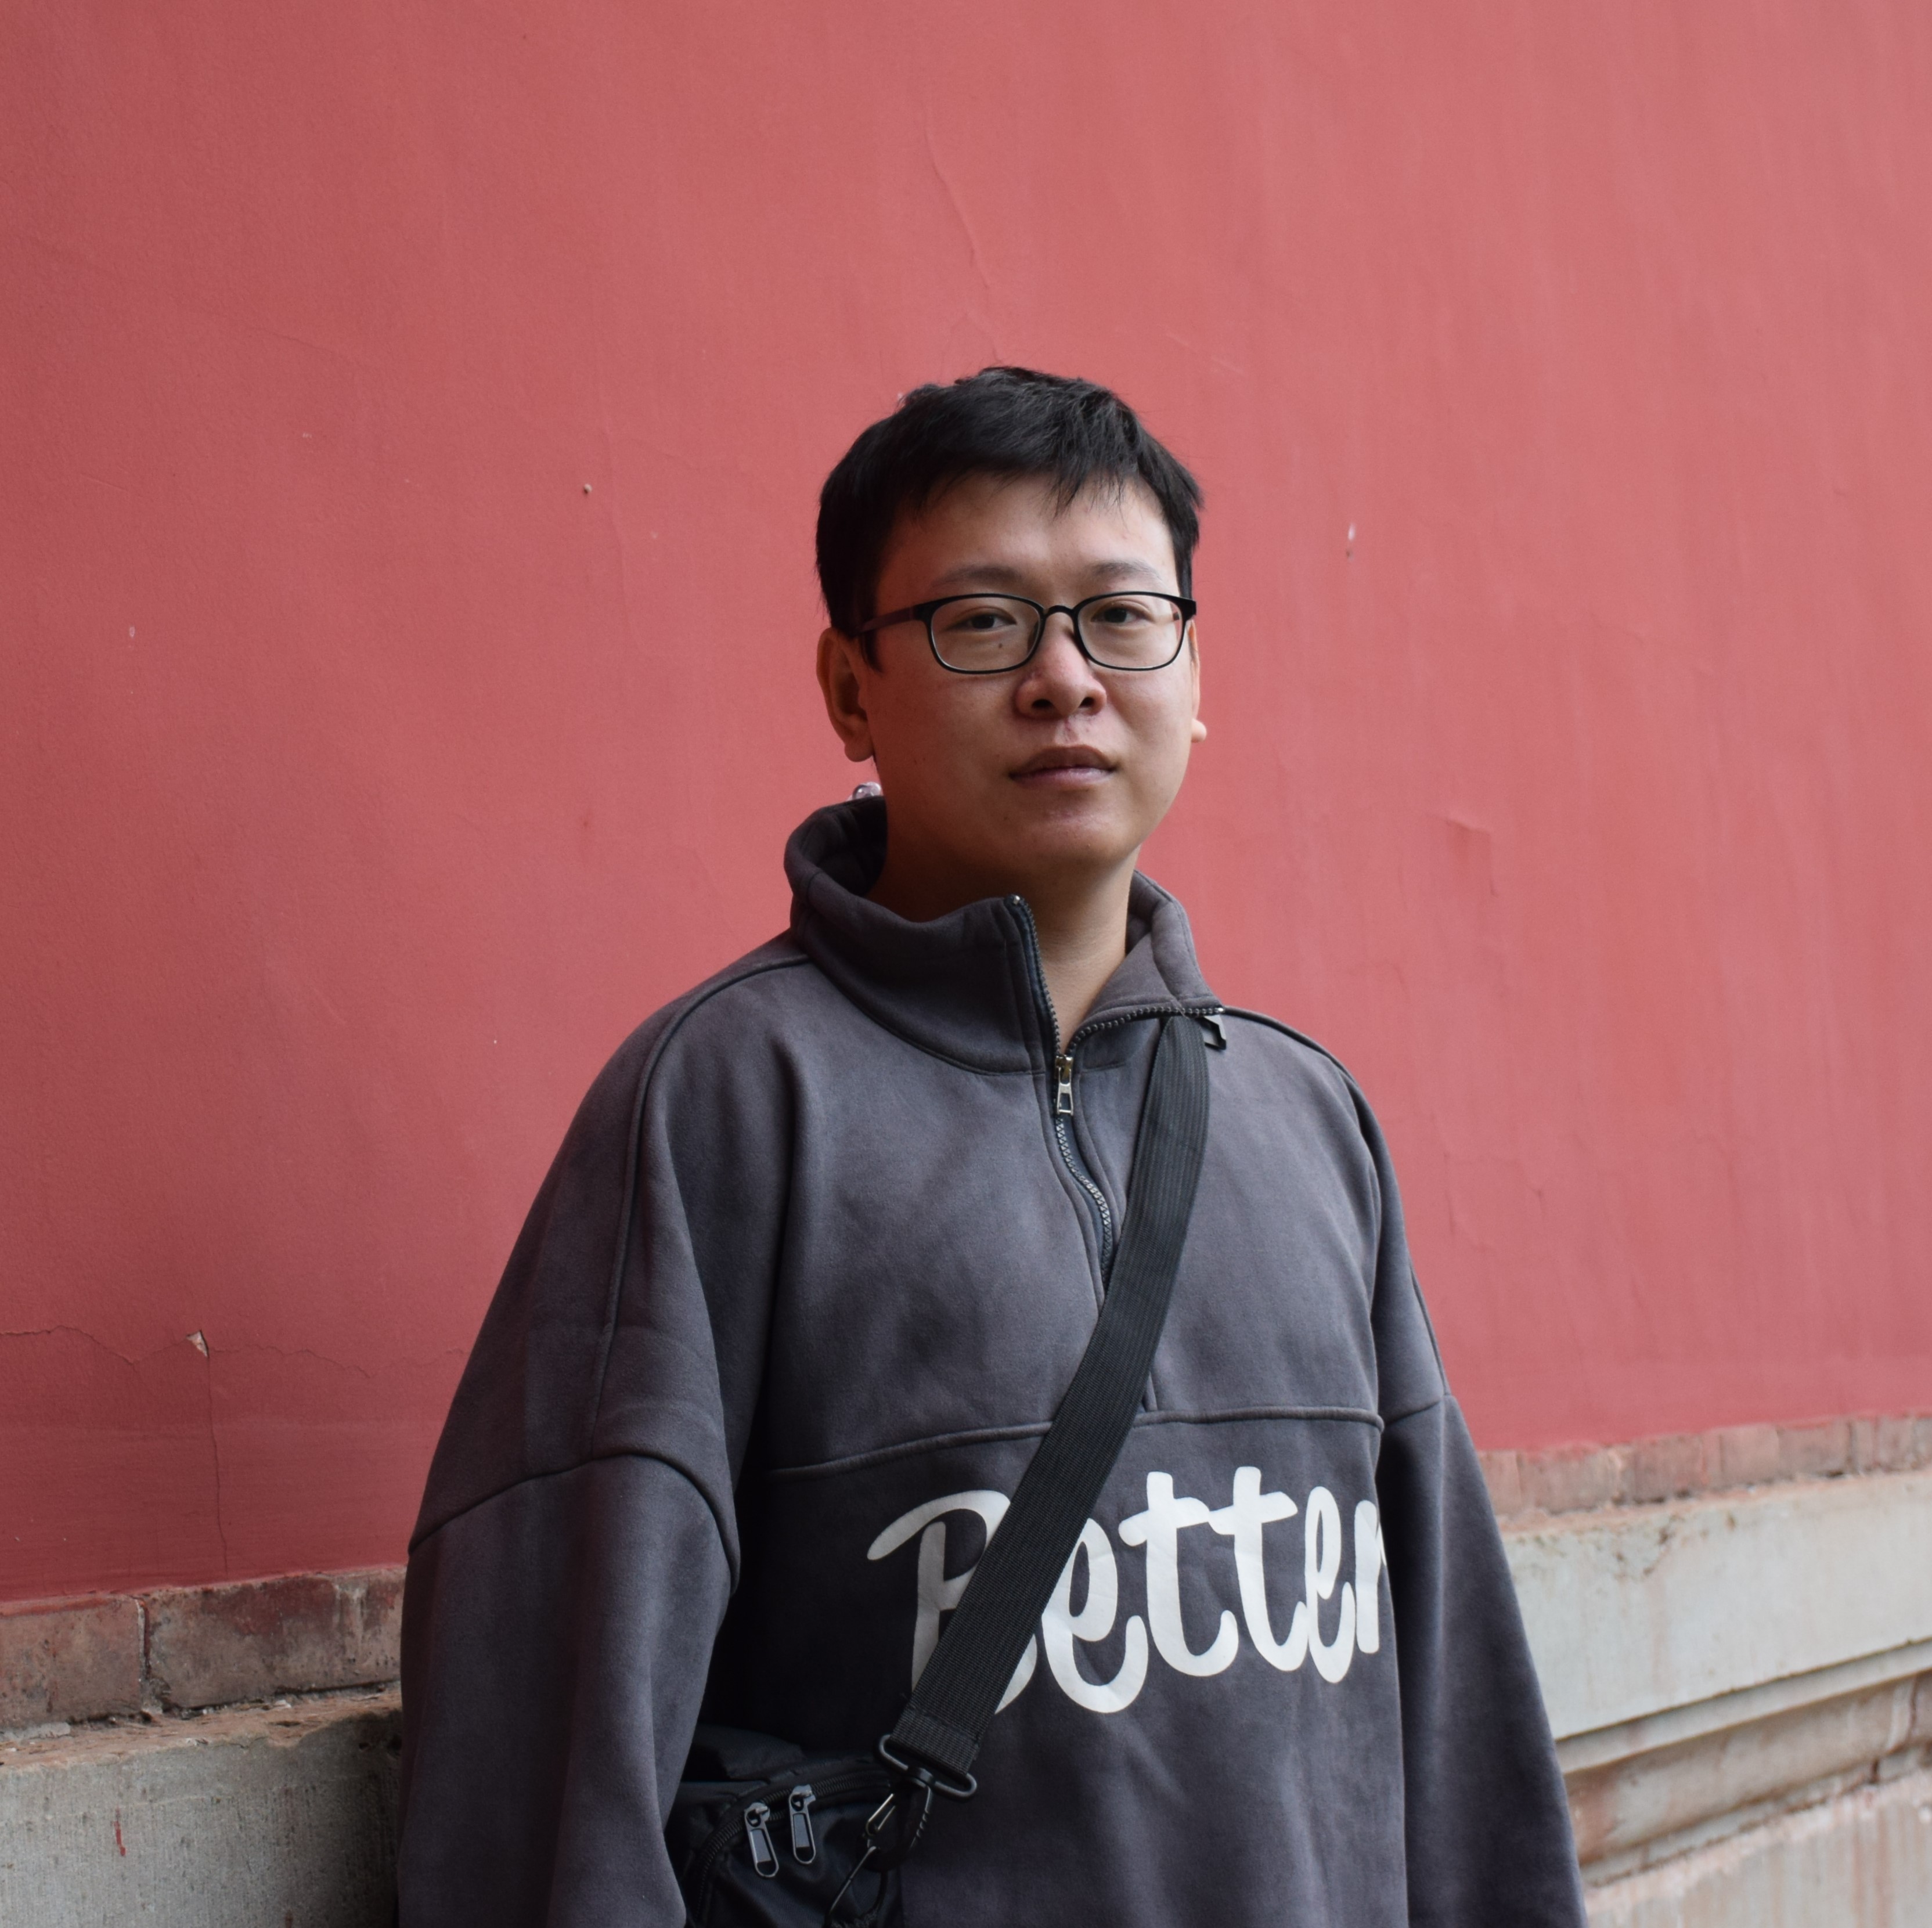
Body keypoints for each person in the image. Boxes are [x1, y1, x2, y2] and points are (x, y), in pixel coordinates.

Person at [397, 367, 1586, 1926]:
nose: (1063, 679)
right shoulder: (723, 1110)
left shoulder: (1310, 1122)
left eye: (1122, 616)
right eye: (983, 621)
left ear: (1194, 671)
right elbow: (554, 1767)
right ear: (849, 688)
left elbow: (1459, 1722)